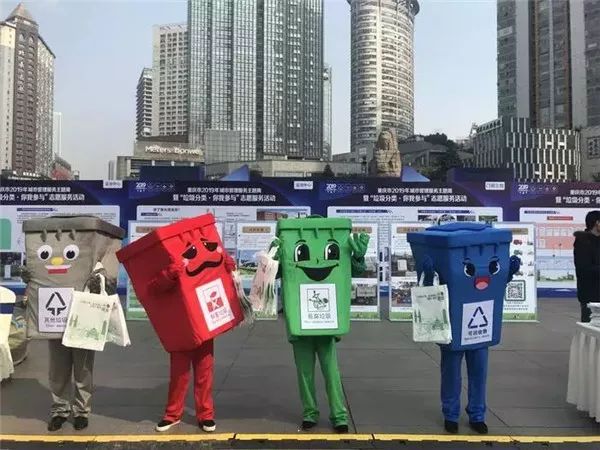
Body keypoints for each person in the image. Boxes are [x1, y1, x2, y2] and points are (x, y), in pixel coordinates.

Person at [573, 210, 600, 322]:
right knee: (591, 327)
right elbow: (583, 269)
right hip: (590, 294)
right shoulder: (582, 242)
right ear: (597, 223)